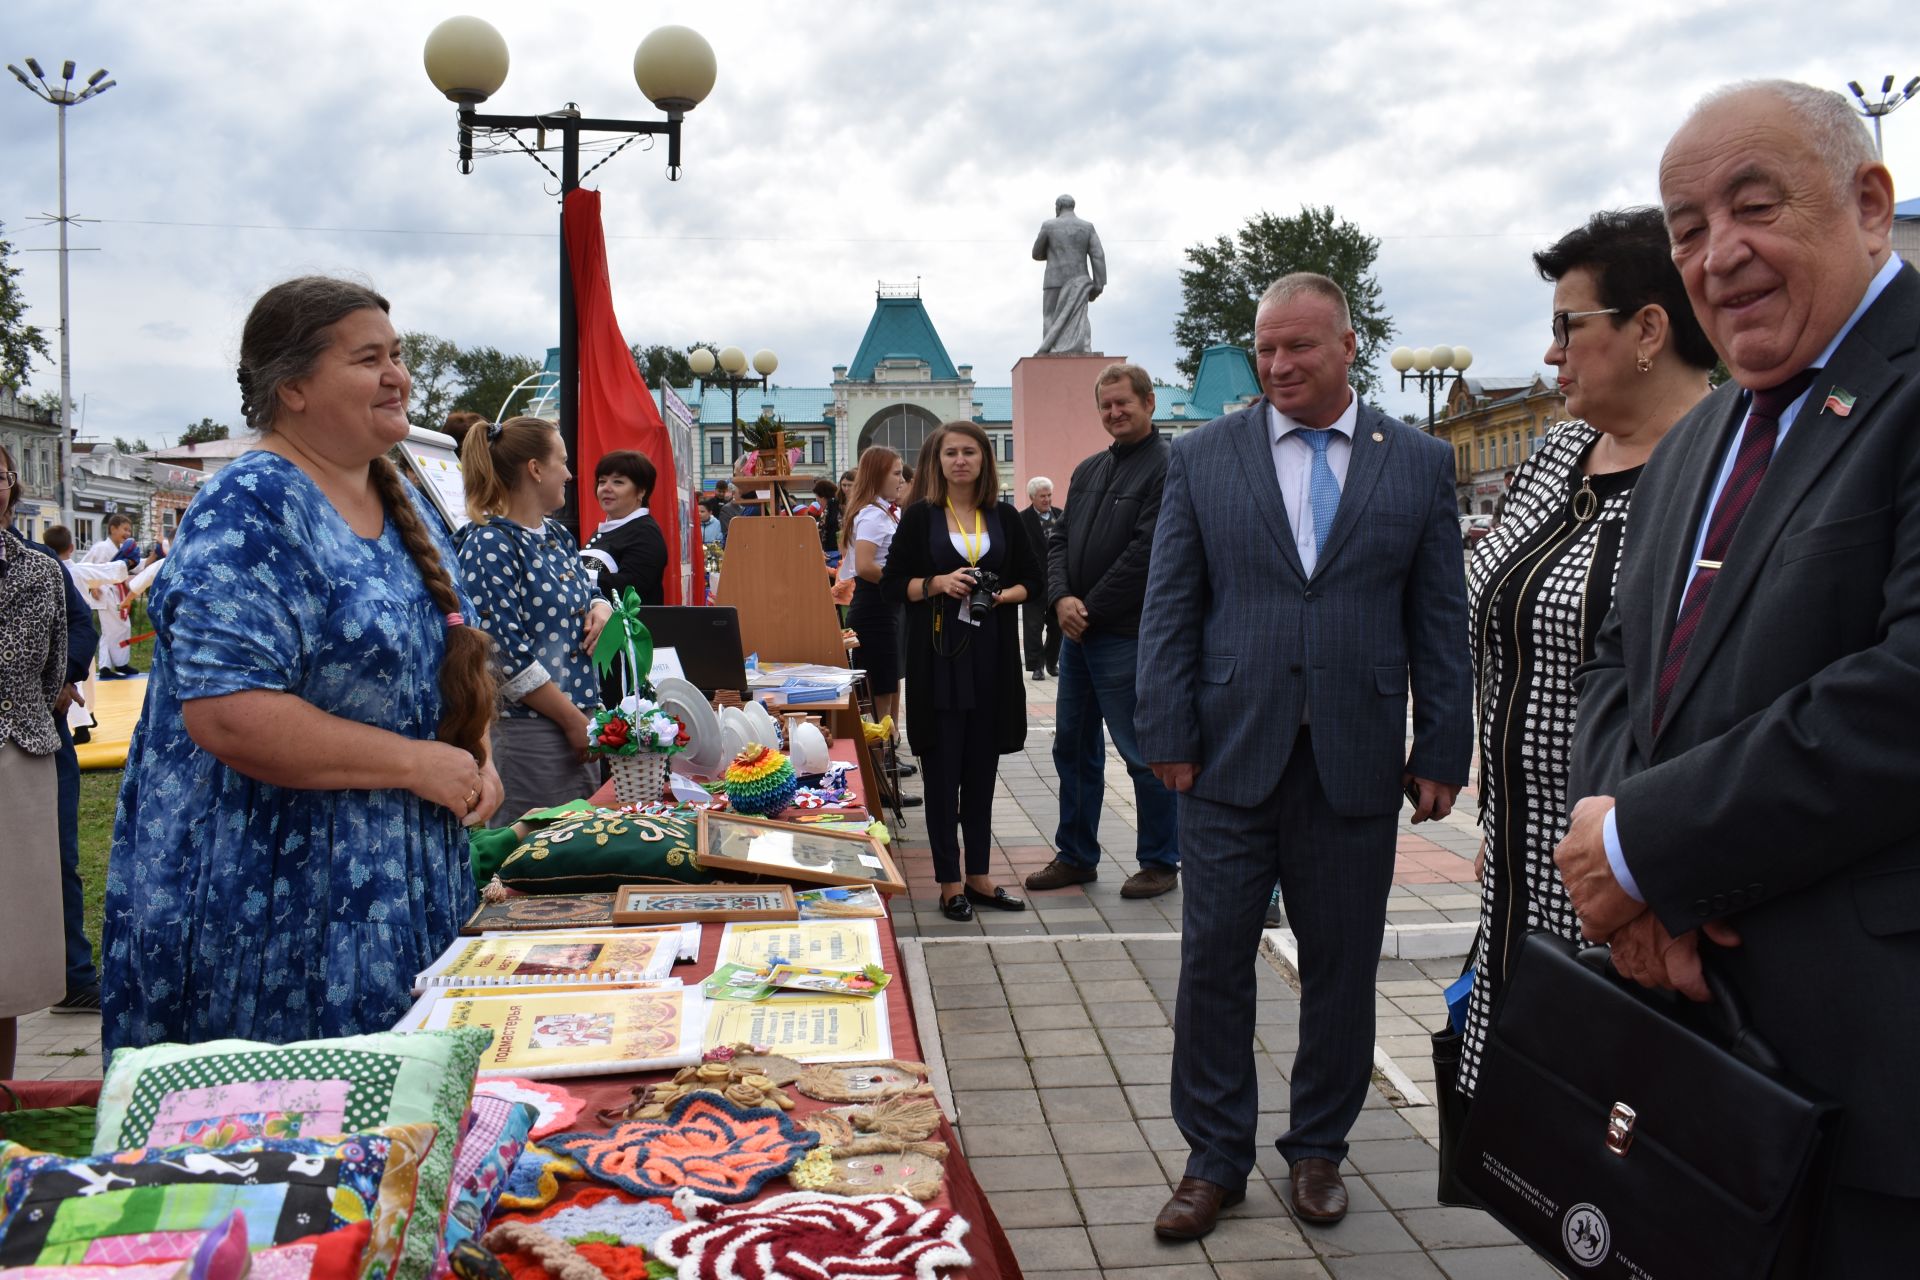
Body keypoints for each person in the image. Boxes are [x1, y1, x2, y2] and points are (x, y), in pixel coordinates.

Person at [1557, 80, 1917, 1273]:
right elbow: (1618, 656)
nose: (1720, 254)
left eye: (1754, 207)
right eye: (1688, 228)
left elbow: (1905, 690)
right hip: (1686, 1035)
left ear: (1869, 202)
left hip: (1875, 1070)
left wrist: (1646, 846)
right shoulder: (1703, 432)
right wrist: (1632, 874)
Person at [1137, 273, 1471, 1239]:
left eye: (1299, 348)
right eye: (1265, 349)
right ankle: (1213, 1159)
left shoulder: (1416, 462)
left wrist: (1441, 744)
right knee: (1212, 964)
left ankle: (1319, 1150)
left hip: (1357, 761)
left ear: (1349, 343)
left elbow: (1438, 621)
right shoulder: (1205, 458)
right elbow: (1171, 607)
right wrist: (1165, 732)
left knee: (1341, 967)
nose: (1278, 367)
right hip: (1226, 759)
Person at [102, 276, 500, 1053]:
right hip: (270, 909)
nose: (398, 375)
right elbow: (232, 713)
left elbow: (435, 663)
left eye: (398, 353)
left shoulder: (404, 502)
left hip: (394, 891)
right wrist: (417, 764)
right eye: (368, 359)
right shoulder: (251, 505)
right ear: (293, 388)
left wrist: (477, 754)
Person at [1455, 208, 1715, 1104]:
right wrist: (1503, 806)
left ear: (1649, 329)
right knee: (1525, 1138)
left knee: (1618, 1144)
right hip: (1522, 861)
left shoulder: (1728, 465)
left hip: (1632, 875)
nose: (1553, 354)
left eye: (1569, 326)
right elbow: (1504, 626)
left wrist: (1658, 875)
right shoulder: (1557, 452)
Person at [1025, 364, 1181, 901]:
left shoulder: (1167, 467)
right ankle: (1076, 855)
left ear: (1149, 402)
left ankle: (1161, 860)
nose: (1115, 412)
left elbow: (1149, 552)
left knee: (1143, 754)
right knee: (1072, 748)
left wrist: (1085, 608)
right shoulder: (1089, 469)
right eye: (1106, 405)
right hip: (1079, 638)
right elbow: (1059, 541)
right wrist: (1060, 599)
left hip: (1126, 635)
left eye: (1124, 403)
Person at [882, 422, 1040, 920]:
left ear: (984, 460)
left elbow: (1031, 581)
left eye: (970, 452)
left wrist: (997, 596)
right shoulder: (920, 518)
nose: (960, 461)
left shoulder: (1006, 516)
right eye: (951, 452)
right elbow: (892, 586)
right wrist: (935, 583)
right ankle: (949, 881)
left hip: (990, 657)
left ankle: (980, 876)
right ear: (938, 460)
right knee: (942, 773)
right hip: (938, 659)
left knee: (981, 773)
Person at [458, 417, 612, 825]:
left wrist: (601, 605)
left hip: (576, 725)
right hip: (531, 734)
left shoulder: (557, 537)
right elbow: (503, 656)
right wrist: (573, 720)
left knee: (578, 853)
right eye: (561, 461)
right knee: (535, 860)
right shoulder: (490, 542)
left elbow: (582, 592)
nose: (569, 473)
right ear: (535, 469)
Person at [0, 443, 70, 1074]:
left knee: (10, 957)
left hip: (16, 756)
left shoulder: (37, 570)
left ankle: (6, 1103)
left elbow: (51, 674)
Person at [14, 518, 103, 1014]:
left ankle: (71, 977)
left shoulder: (39, 563)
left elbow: (78, 625)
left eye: (1, 476)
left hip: (41, 730)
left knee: (56, 855)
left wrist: (63, 676)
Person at [838, 447, 919, 801]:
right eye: (896, 473)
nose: (901, 480)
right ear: (877, 476)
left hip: (883, 606)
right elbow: (868, 566)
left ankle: (884, 769)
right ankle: (881, 783)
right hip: (875, 606)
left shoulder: (882, 512)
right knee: (879, 696)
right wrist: (902, 582)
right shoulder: (871, 515)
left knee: (886, 689)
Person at [582, 449, 669, 606]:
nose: (606, 488)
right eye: (602, 481)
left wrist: (574, 576)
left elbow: (631, 588)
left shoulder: (645, 533)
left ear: (641, 491)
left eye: (618, 482)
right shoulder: (609, 528)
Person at [1032, 194, 1107, 354]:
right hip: (1079, 280)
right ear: (1073, 207)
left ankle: (1049, 350)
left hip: (1053, 280)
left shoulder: (1048, 226)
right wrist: (1099, 283)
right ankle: (1084, 348)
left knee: (1050, 317)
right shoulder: (1087, 227)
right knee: (1080, 316)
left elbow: (1036, 253)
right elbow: (1098, 255)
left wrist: (1053, 252)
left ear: (1057, 208)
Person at [82, 513, 138, 678]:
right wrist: (93, 586)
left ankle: (113, 664)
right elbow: (85, 566)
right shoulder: (101, 547)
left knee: (117, 629)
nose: (128, 533)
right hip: (104, 592)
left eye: (130, 530)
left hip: (116, 592)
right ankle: (112, 665)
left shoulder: (121, 550)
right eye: (125, 529)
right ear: (113, 528)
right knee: (112, 630)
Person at [1017, 476, 1062, 679]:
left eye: (1049, 495)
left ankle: (1052, 662)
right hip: (1034, 582)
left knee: (1057, 626)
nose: (1047, 499)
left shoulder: (1061, 516)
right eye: (1042, 496)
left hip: (1057, 581)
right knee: (1033, 627)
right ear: (1032, 497)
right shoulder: (1022, 519)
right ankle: (1036, 666)